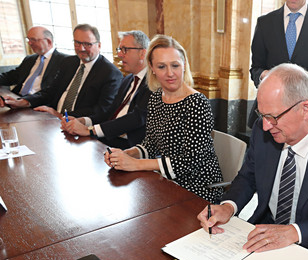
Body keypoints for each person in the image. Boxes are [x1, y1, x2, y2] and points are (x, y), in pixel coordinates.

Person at [197, 63, 308, 260]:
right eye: (262, 115)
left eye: (273, 117)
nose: (266, 126)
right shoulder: (263, 130)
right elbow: (248, 177)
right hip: (265, 231)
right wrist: (229, 206)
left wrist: (293, 232)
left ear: (305, 109)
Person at [104, 35, 223, 203]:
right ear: (151, 67)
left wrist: (136, 164)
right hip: (168, 181)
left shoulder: (197, 103)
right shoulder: (156, 97)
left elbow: (190, 162)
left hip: (199, 188)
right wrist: (125, 154)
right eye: (161, 67)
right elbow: (151, 144)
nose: (170, 73)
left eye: (175, 65)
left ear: (184, 66)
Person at [5, 24, 122, 123]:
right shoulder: (69, 62)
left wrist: (61, 116)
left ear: (99, 45)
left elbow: (101, 111)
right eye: (77, 43)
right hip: (50, 119)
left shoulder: (110, 73)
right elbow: (51, 91)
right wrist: (24, 102)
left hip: (77, 125)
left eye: (87, 44)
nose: (81, 48)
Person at [248, 0, 308, 126]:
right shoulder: (265, 22)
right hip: (268, 117)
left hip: (306, 115)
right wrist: (266, 75)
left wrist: (299, 81)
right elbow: (255, 69)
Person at [61, 30, 151, 149]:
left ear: (142, 53)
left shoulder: (153, 83)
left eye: (125, 49)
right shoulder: (128, 79)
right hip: (108, 139)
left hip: (131, 147)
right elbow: (109, 112)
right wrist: (84, 121)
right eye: (119, 50)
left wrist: (90, 130)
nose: (119, 55)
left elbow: (136, 119)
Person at [0, 26, 67, 106]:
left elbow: (53, 91)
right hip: (16, 98)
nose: (30, 43)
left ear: (48, 41)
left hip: (38, 104)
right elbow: (12, 76)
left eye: (33, 40)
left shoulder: (64, 61)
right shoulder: (30, 59)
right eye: (28, 39)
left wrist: (26, 101)